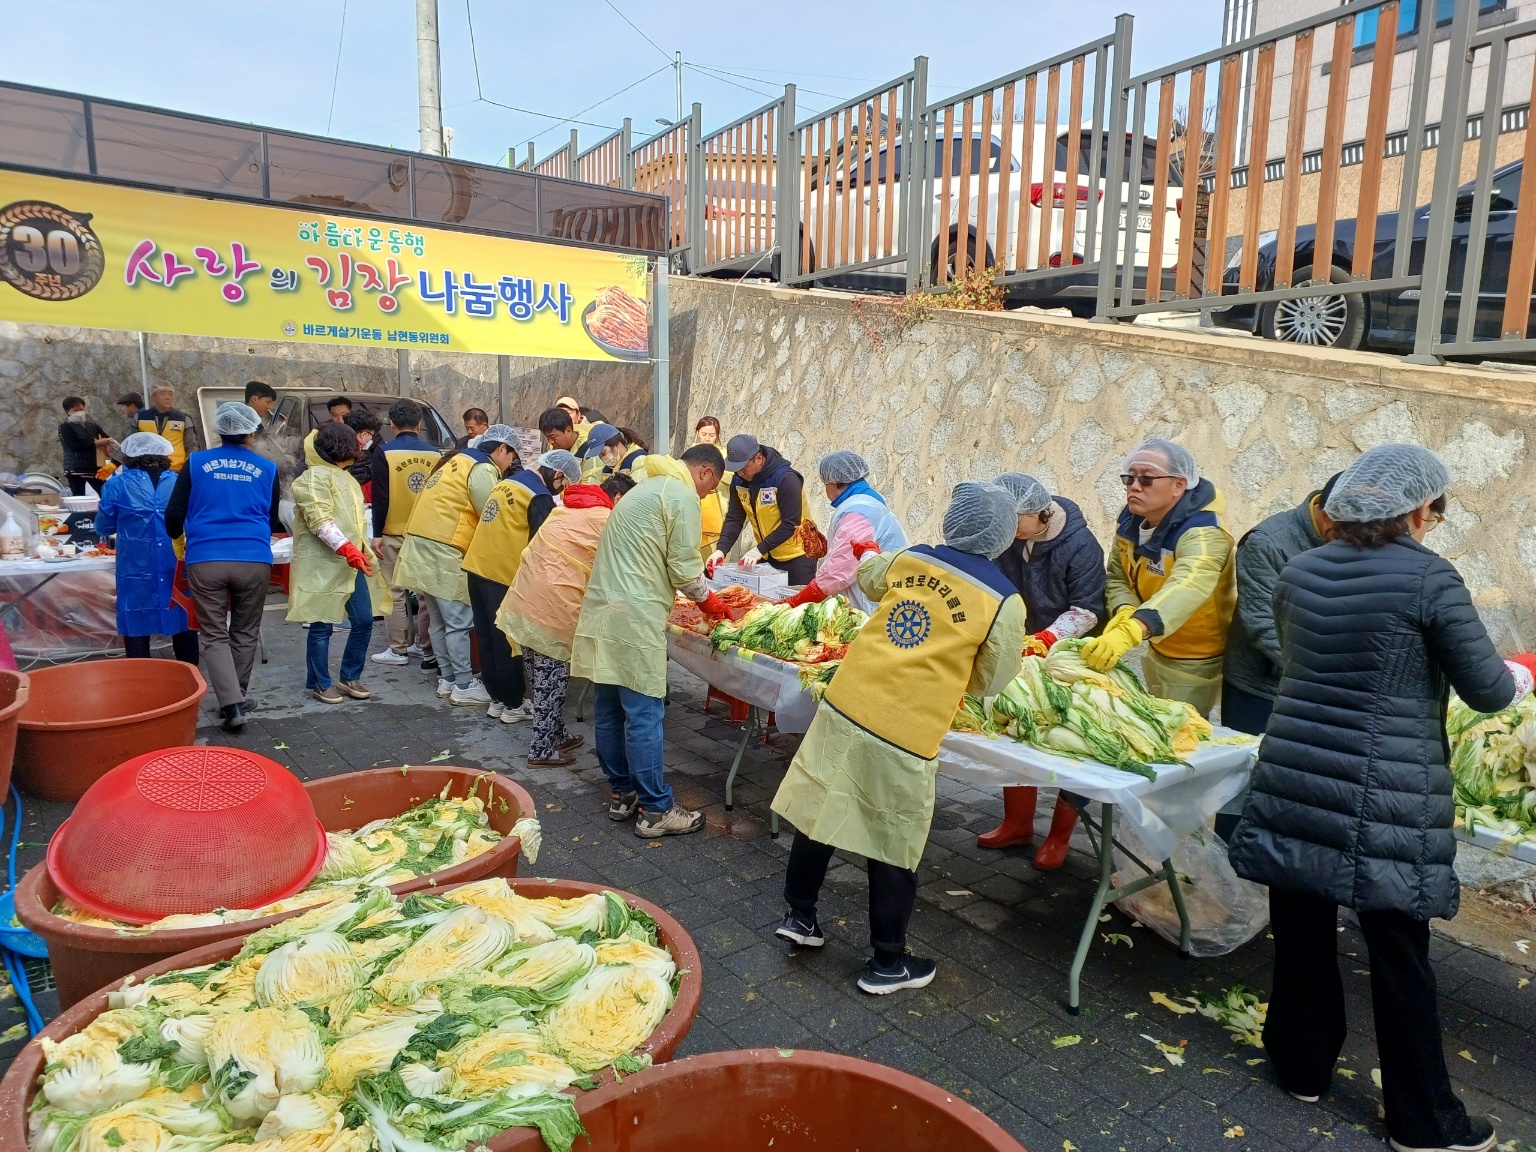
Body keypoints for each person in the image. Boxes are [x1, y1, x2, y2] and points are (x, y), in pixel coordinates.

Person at [1227, 445, 1531, 1152]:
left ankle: (1301, 1069)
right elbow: (1485, 690)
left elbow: (1308, 663)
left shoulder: (1300, 571)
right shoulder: (1430, 578)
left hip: (1295, 772)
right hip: (1384, 794)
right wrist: (1520, 676)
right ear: (1418, 511)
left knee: (1300, 934)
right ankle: (1424, 1122)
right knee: (1399, 953)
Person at [771, 482, 1026, 994]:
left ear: (954, 520)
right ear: (1002, 536)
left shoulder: (913, 559)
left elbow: (868, 574)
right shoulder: (1003, 599)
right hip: (906, 725)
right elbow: (992, 680)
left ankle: (801, 918)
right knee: (892, 836)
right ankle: (887, 962)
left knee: (819, 807)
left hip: (848, 701)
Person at [571, 444, 734, 838]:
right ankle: (656, 810)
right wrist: (711, 604)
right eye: (710, 489)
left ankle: (623, 793)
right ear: (707, 473)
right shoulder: (679, 495)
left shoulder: (645, 487)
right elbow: (683, 567)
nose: (706, 496)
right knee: (644, 713)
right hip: (635, 615)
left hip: (604, 610)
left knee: (609, 708)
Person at [976, 472, 1109, 864]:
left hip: (1070, 652)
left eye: (1015, 522)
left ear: (1040, 514)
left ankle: (1060, 836)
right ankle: (1017, 824)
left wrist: (1049, 639)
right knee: (1017, 727)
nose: (1010, 530)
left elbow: (1088, 608)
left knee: (1070, 738)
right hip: (1023, 647)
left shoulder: (1080, 545)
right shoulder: (1010, 540)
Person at [1081, 438, 1235, 717]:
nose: (1135, 486)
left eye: (1147, 479)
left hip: (1194, 655)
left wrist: (1133, 628)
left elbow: (1188, 586)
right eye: (1129, 478)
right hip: (1154, 639)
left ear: (1179, 484)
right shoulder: (1130, 519)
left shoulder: (1204, 533)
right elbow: (1117, 575)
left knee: (1179, 735)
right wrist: (1126, 609)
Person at [499, 473, 635, 768]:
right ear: (620, 498)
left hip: (525, 596)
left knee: (538, 675)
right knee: (552, 681)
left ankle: (556, 734)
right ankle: (540, 750)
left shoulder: (566, 508)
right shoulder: (605, 519)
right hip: (553, 607)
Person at [164, 402, 283, 732]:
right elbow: (273, 518)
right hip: (253, 557)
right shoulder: (267, 468)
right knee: (245, 631)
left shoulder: (196, 462)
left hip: (207, 557)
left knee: (213, 633)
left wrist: (177, 535)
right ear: (251, 431)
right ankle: (238, 698)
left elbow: (174, 514)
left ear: (219, 429)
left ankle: (230, 704)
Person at [392, 426, 521, 705]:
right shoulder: (481, 467)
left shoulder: (456, 460)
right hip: (445, 544)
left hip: (421, 541)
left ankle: (448, 679)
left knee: (438, 618)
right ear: (501, 449)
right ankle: (464, 685)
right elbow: (490, 509)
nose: (510, 463)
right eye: (511, 456)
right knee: (459, 621)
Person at [1222, 474, 1341, 737]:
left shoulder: (1355, 538)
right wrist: (1323, 680)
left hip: (1319, 686)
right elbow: (1261, 623)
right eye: (1347, 528)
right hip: (1259, 688)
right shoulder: (1266, 542)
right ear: (1326, 511)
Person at [461, 443, 555, 723]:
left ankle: (497, 698)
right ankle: (513, 704)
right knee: (507, 640)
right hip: (502, 572)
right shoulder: (539, 495)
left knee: (487, 635)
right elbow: (542, 544)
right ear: (558, 475)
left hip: (477, 566)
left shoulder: (510, 482)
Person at [96, 432, 197, 665]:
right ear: (164, 455)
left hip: (135, 566)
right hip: (177, 562)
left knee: (135, 621)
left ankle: (141, 677)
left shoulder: (117, 484)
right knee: (183, 616)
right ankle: (189, 675)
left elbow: (104, 525)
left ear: (129, 456)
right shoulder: (179, 482)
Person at [781, 450, 907, 612]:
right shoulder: (869, 498)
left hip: (874, 600)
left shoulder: (856, 512)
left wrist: (794, 602)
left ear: (834, 484)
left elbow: (837, 573)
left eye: (825, 485)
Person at [369, 400, 441, 667]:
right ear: (420, 425)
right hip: (424, 532)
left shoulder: (384, 452)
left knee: (395, 591)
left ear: (392, 424)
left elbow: (381, 497)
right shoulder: (434, 453)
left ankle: (397, 649)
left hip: (392, 531)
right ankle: (425, 646)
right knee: (424, 594)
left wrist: (377, 533)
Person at [709, 434, 817, 586]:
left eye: (743, 468)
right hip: (768, 557)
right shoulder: (739, 480)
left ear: (758, 458)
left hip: (799, 556)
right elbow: (734, 518)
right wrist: (721, 550)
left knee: (800, 607)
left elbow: (790, 524)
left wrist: (758, 550)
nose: (739, 473)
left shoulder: (786, 478)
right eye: (735, 469)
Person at [138, 385, 200, 471]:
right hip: (146, 469)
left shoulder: (183, 418)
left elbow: (192, 445)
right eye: (163, 393)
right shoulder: (140, 418)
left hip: (176, 469)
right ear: (154, 396)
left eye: (170, 394)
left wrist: (188, 466)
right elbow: (131, 444)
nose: (167, 397)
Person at [57, 396, 110, 496]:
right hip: (75, 469)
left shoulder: (92, 425)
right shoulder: (65, 427)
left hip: (94, 468)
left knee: (106, 493)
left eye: (80, 409)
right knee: (79, 496)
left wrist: (109, 442)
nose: (79, 412)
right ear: (68, 412)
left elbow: (106, 437)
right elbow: (75, 446)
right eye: (75, 410)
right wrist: (96, 443)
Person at [343, 410, 381, 492]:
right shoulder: (351, 454)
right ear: (364, 435)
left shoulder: (340, 448)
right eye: (371, 435)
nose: (371, 439)